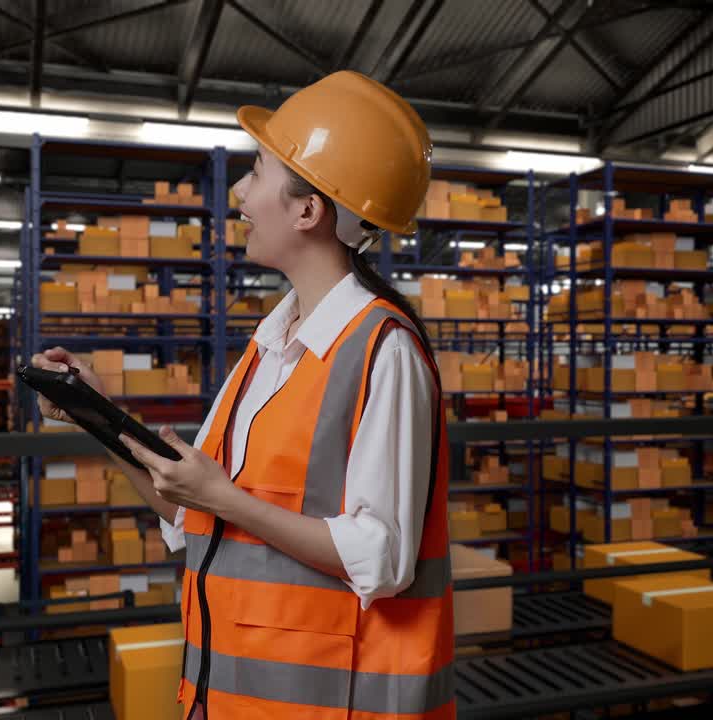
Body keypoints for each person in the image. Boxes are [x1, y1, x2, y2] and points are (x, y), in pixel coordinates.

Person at [32, 70, 454, 720]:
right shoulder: (271, 346)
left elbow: (382, 558)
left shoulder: (382, 351)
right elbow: (188, 513)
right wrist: (99, 418)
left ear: (308, 209)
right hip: (226, 698)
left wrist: (222, 497)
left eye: (256, 171)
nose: (239, 192)